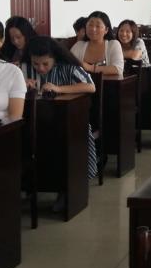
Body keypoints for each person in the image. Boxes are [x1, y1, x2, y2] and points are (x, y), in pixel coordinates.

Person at [26, 36, 100, 180]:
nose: (40, 68)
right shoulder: (24, 69)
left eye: (45, 64)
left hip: (65, 120)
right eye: (35, 63)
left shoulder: (68, 68)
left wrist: (59, 88)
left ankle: (70, 179)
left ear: (55, 58)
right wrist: (22, 85)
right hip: (36, 120)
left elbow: (91, 87)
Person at [70, 11, 124, 77]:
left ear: (106, 30)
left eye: (98, 26)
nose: (93, 29)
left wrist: (91, 68)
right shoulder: (79, 45)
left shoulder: (113, 44)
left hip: (107, 83)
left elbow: (118, 69)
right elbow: (68, 66)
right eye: (90, 25)